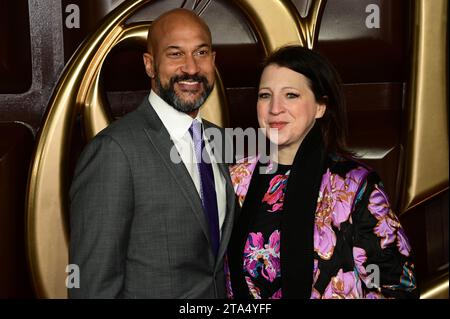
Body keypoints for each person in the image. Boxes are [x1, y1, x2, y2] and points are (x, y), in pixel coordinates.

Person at [226, 45, 419, 299]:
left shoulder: (354, 185)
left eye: (291, 95)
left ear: (320, 107)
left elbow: (398, 289)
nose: (275, 108)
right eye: (265, 95)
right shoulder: (236, 178)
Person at [69, 9, 236, 298]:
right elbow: (91, 287)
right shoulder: (114, 151)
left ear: (213, 60)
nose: (191, 68)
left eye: (201, 52)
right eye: (175, 54)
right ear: (149, 65)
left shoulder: (219, 141)